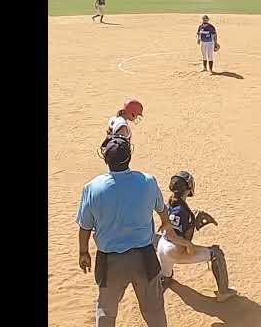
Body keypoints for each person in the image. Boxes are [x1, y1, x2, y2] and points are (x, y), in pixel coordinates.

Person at [76, 135, 187, 327]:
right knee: (153, 311)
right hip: (144, 258)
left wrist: (83, 252)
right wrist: (167, 224)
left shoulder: (92, 188)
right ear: (129, 158)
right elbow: (162, 210)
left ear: (105, 159)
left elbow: (85, 227)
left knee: (106, 311)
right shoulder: (147, 181)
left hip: (110, 262)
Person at [155, 171, 237, 302]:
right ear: (188, 189)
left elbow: (174, 223)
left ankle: (165, 277)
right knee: (216, 253)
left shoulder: (170, 203)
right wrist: (188, 244)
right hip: (175, 250)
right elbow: (174, 234)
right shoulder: (182, 210)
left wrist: (194, 218)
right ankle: (224, 293)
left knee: (167, 278)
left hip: (162, 249)